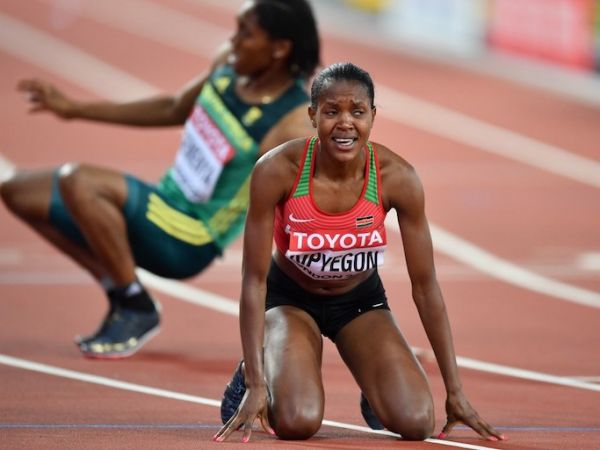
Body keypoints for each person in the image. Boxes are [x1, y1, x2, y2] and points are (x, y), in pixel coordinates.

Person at [0, 0, 320, 359]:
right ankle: (121, 292)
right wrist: (74, 109)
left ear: (279, 48)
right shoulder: (227, 67)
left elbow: (296, 205)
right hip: (162, 205)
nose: (233, 40)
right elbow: (173, 108)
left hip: (191, 237)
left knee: (80, 181)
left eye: (246, 33)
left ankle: (134, 304)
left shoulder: (290, 122)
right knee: (18, 191)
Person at [213, 62, 506, 443]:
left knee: (416, 423)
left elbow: (426, 287)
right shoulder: (277, 171)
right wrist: (254, 382)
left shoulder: (397, 177)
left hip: (360, 303)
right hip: (288, 301)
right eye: (332, 111)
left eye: (358, 112)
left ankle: (375, 390)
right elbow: (253, 281)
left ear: (373, 116)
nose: (345, 123)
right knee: (298, 422)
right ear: (312, 115)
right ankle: (262, 368)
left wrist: (455, 390)